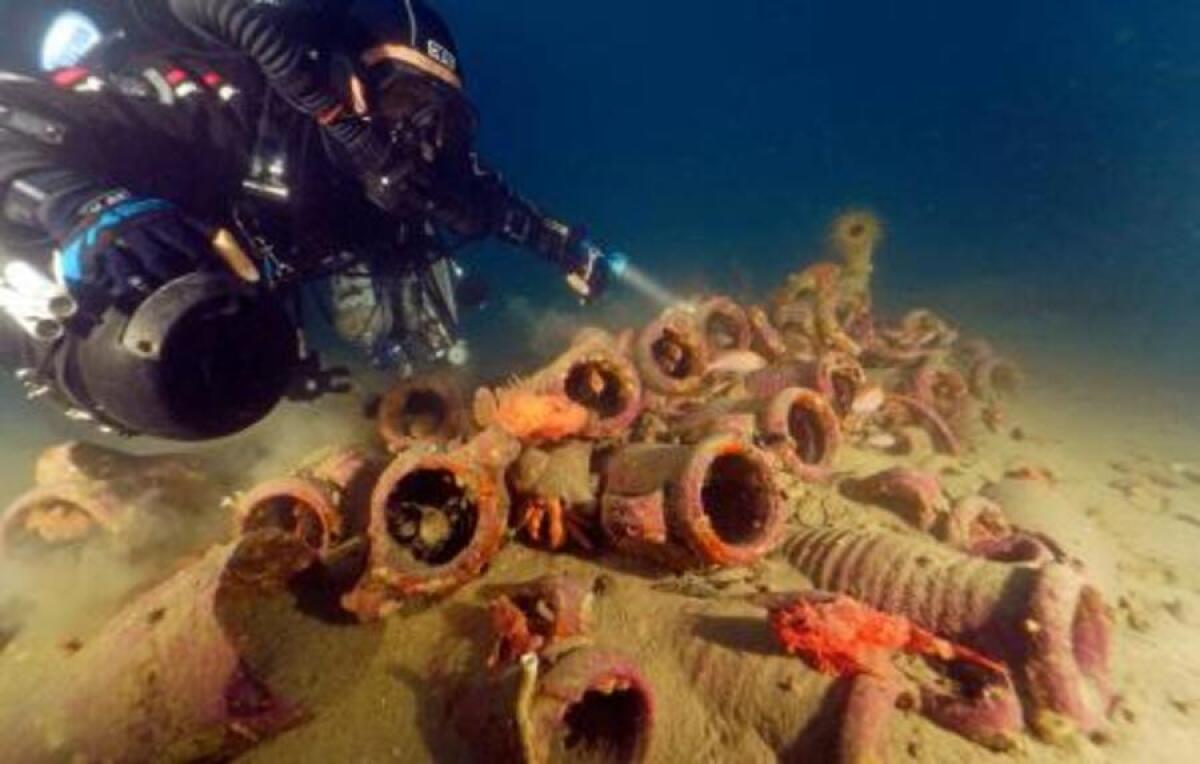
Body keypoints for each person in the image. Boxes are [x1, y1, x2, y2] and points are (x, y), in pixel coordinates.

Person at [0, 0, 619, 441]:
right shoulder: (229, 111)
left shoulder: (424, 172)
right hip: (153, 282)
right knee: (137, 352)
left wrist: (567, 250)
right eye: (407, 104)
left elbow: (490, 203)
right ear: (346, 83)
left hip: (267, 292)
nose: (420, 143)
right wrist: (75, 205)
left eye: (442, 122)